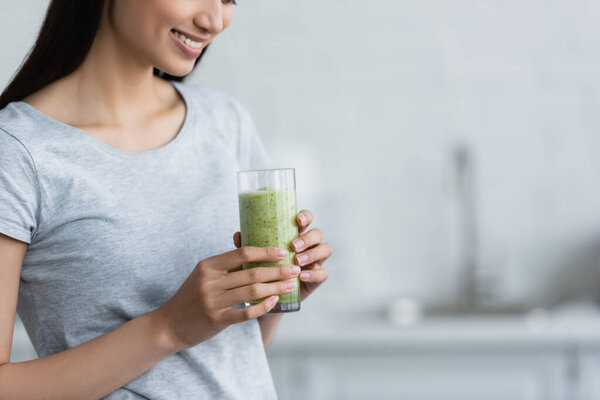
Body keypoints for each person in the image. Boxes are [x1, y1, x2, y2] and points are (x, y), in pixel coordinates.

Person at [0, 0, 332, 398]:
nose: (214, 20)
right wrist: (168, 327)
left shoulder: (225, 123)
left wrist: (273, 291)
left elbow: (220, 365)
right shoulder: (18, 152)